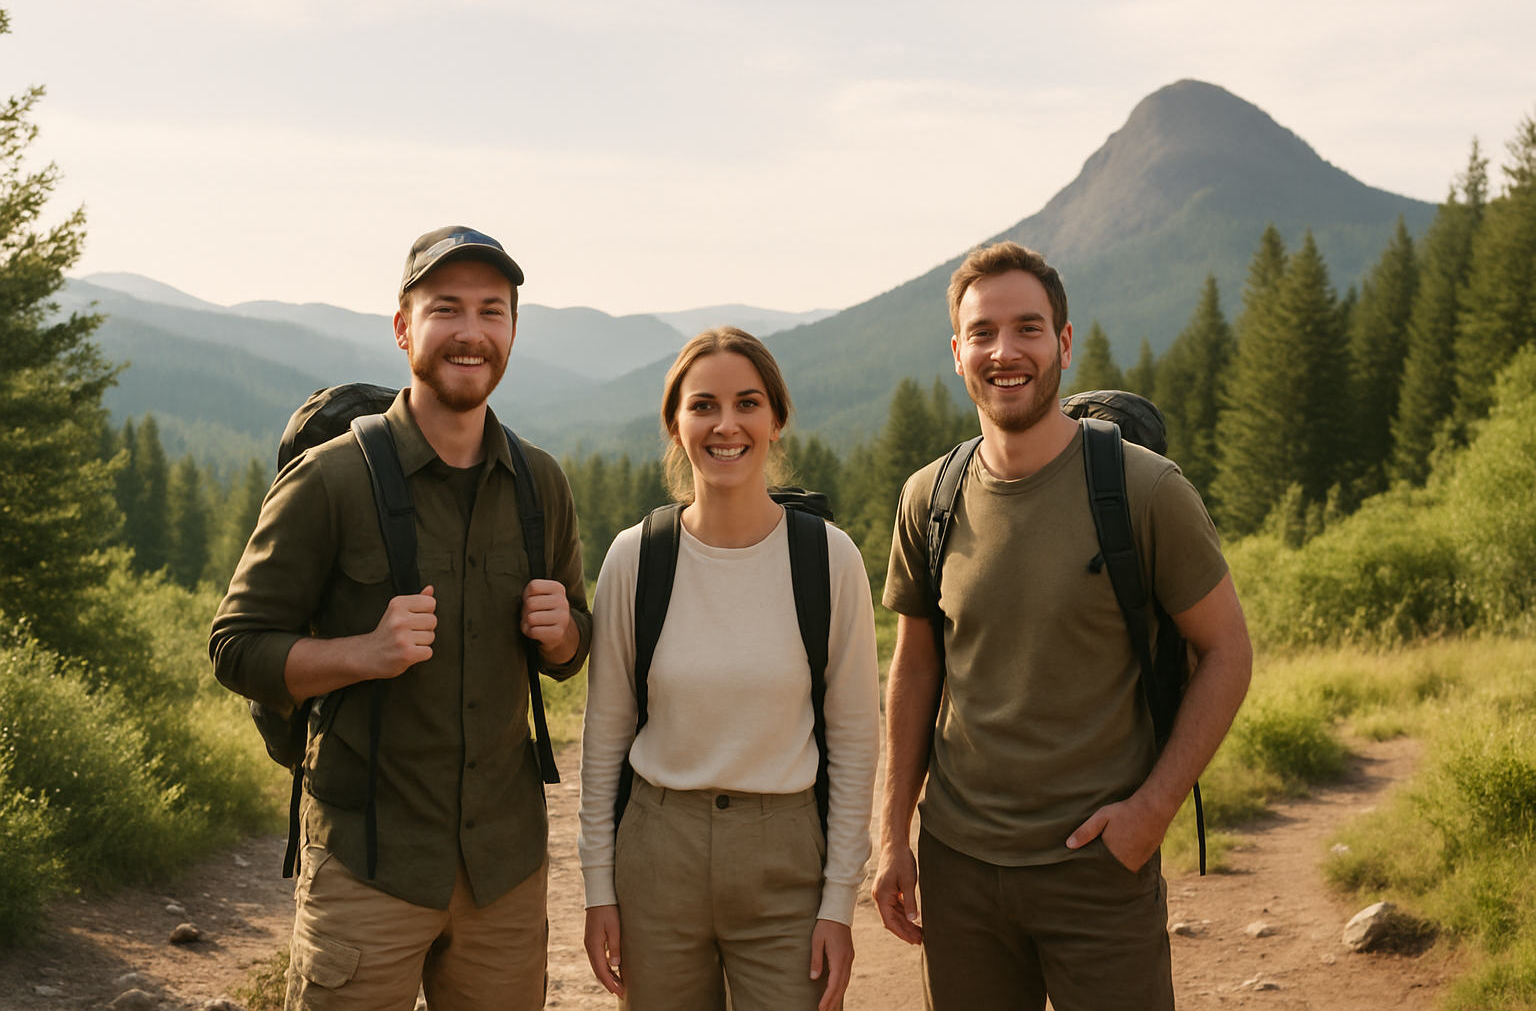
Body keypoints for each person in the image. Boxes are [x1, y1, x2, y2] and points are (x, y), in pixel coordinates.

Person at [210, 226, 591, 1010]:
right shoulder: (329, 480)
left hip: (505, 873)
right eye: (445, 308)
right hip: (366, 866)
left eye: (491, 311)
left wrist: (566, 635)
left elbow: (570, 647)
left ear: (512, 330)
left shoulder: (539, 483)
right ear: (403, 327)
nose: (470, 331)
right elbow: (236, 647)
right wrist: (363, 652)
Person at [872, 241, 1252, 1010]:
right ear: (957, 353)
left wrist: (1150, 813)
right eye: (982, 333)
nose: (1004, 352)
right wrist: (891, 838)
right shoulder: (929, 497)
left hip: (1096, 867)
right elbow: (915, 669)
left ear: (1064, 343)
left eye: (1028, 328)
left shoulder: (1147, 492)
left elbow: (1227, 652)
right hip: (958, 866)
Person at [577, 327, 881, 1011]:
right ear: (675, 424)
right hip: (657, 859)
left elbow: (856, 741)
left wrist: (839, 901)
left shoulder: (829, 560)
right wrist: (599, 889)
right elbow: (604, 738)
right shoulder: (635, 558)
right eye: (703, 405)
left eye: (747, 403)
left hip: (786, 863)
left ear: (776, 420)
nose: (726, 425)